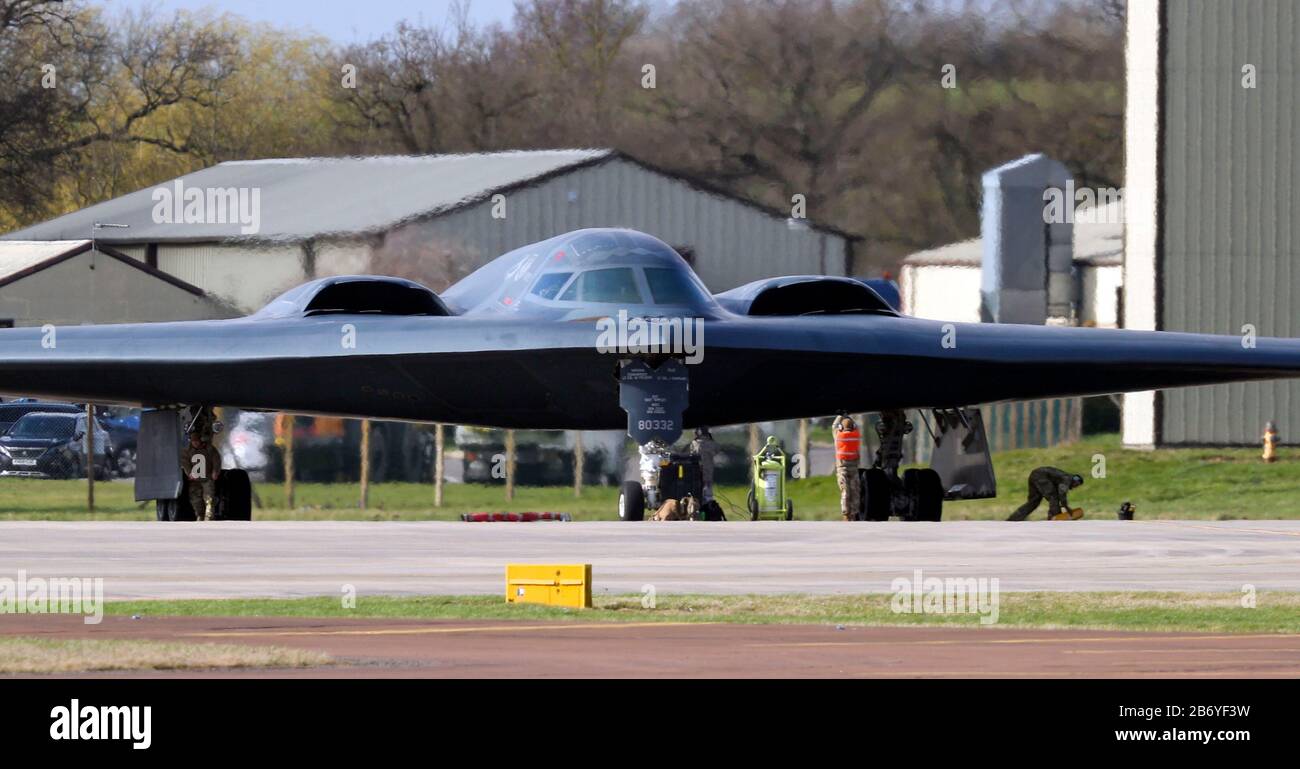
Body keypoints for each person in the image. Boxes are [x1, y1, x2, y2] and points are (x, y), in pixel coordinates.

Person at [1008, 467, 1084, 521]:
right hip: (1041, 476)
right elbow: (1062, 494)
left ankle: (1013, 519)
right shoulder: (1067, 479)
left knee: (1033, 502)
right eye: (1076, 485)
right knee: (1053, 496)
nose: (1075, 487)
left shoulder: (1065, 478)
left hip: (1034, 475)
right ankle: (1055, 516)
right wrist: (1066, 507)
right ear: (1076, 482)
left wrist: (1063, 505)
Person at [180, 430, 222, 521]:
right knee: (196, 500)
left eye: (197, 441)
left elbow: (216, 460)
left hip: (207, 478)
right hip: (195, 480)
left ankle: (209, 516)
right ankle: (200, 515)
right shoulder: (187, 451)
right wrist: (189, 473)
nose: (195, 443)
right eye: (193, 441)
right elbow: (185, 463)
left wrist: (215, 471)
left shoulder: (209, 449)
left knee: (209, 498)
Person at [832, 414, 861, 521]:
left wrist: (840, 416)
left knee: (845, 492)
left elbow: (834, 426)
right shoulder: (855, 435)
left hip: (842, 468)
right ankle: (854, 513)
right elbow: (856, 427)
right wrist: (850, 417)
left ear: (841, 428)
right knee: (855, 491)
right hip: (854, 468)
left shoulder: (838, 436)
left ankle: (846, 514)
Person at [690, 427, 721, 502]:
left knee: (698, 485)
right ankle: (708, 501)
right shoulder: (712, 443)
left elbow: (691, 453)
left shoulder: (695, 443)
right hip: (708, 468)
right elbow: (717, 450)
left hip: (697, 468)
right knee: (708, 486)